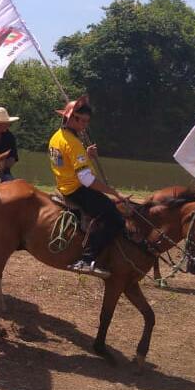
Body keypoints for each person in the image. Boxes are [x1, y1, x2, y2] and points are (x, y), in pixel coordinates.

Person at [48, 97, 125, 279]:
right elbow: (87, 180)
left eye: (86, 121)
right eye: (80, 120)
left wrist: (87, 155)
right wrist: (113, 191)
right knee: (114, 218)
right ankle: (86, 258)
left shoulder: (57, 137)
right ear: (70, 118)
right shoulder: (73, 143)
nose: (83, 125)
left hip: (64, 185)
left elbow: (69, 162)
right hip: (78, 189)